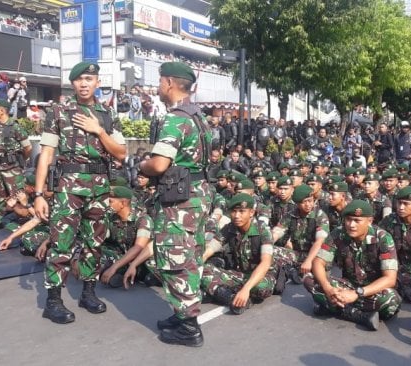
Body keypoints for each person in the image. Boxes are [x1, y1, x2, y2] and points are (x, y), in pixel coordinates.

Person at [34, 62, 127, 325]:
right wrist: (39, 193)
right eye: (79, 79)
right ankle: (53, 301)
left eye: (89, 78)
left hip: (99, 187)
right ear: (72, 84)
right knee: (61, 241)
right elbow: (47, 153)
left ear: (98, 81)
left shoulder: (107, 114)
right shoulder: (59, 112)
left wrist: (98, 130)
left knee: (94, 243)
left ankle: (88, 292)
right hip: (68, 187)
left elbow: (121, 152)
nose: (84, 83)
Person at [135, 61, 213, 347]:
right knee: (190, 256)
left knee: (175, 258)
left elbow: (159, 163)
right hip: (198, 194)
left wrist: (142, 165)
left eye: (159, 82)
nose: (158, 87)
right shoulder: (197, 116)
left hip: (180, 201)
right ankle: (183, 316)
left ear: (169, 82)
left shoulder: (176, 118)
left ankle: (189, 326)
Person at [304, 200, 402, 331]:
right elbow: (318, 262)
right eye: (348, 219)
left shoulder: (383, 238)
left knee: (392, 300)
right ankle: (359, 315)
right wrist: (328, 288)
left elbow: (389, 279)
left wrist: (357, 294)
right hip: (348, 285)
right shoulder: (338, 233)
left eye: (357, 220)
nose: (351, 225)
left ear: (369, 221)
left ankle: (333, 307)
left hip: (371, 290)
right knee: (309, 278)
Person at [200, 193, 279, 314]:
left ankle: (221, 292)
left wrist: (246, 289)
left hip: (261, 275)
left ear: (251, 212)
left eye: (242, 211)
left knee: (261, 288)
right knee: (202, 270)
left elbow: (265, 262)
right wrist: (197, 264)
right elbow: (210, 250)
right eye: (234, 211)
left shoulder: (263, 229)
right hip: (240, 274)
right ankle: (231, 298)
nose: (237, 216)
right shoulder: (229, 228)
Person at [0, 99, 32, 228]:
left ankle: (25, 223)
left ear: (2, 111)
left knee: (18, 196)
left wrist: (21, 160)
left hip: (12, 168)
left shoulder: (15, 126)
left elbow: (28, 147)